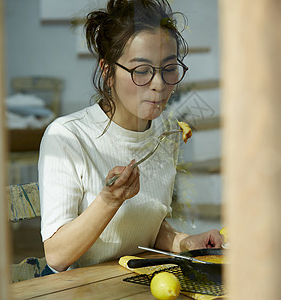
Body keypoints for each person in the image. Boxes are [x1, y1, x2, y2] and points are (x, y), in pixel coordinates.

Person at [38, 0, 223, 275]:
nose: (159, 84)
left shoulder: (168, 132)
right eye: (141, 70)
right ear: (107, 71)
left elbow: (145, 223)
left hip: (139, 281)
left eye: (169, 68)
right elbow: (57, 255)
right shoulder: (68, 136)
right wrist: (109, 200)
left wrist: (184, 241)